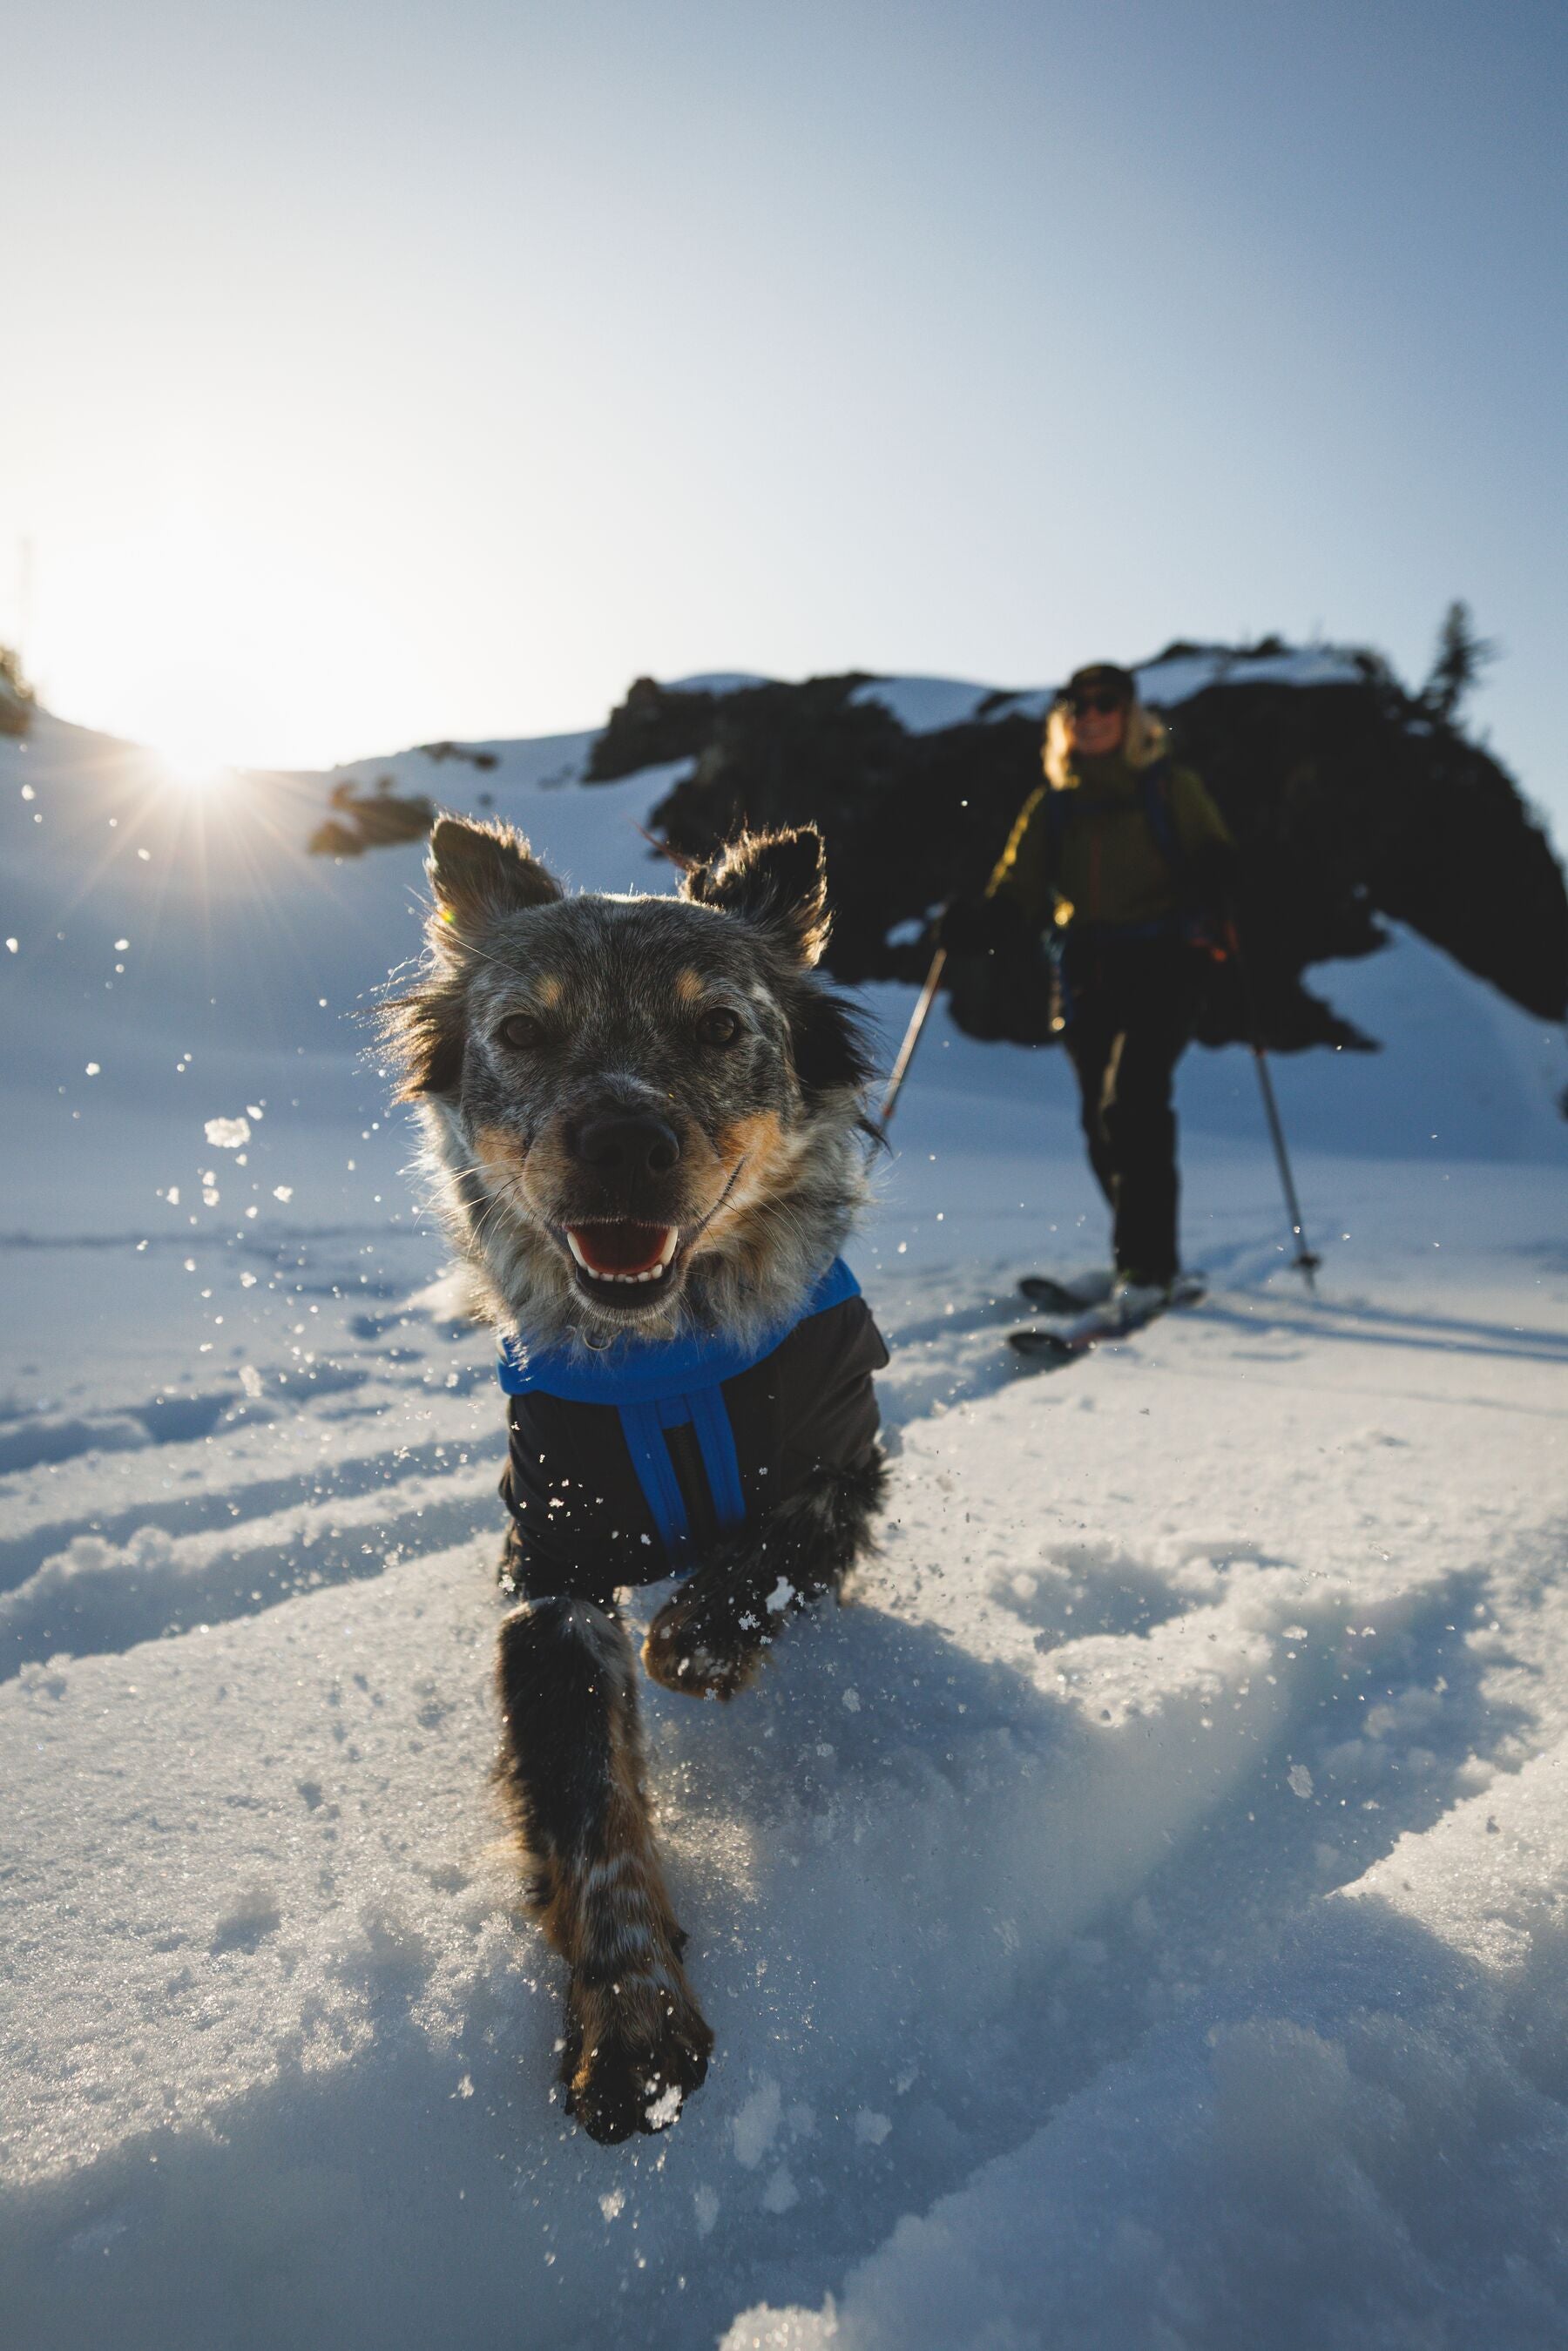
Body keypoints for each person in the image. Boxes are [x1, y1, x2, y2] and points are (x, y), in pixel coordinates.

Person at [943, 662, 1234, 1306]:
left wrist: (1215, 882)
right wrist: (977, 923)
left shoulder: (1169, 788)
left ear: (1130, 716)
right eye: (1078, 703)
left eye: (1106, 702)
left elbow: (1218, 854)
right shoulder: (1054, 804)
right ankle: (1143, 1257)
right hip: (1085, 972)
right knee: (1100, 1123)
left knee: (1133, 1101)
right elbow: (1016, 889)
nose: (1092, 713)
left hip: (1166, 963)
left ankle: (1148, 1267)